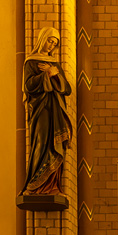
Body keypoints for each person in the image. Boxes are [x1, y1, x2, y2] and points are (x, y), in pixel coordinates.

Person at [22, 27, 74, 196]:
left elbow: (66, 89)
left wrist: (54, 74)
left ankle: (53, 186)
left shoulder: (54, 65)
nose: (52, 45)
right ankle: (35, 185)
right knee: (41, 142)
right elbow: (28, 85)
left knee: (55, 144)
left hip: (55, 109)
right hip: (40, 109)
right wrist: (46, 76)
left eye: (55, 43)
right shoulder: (31, 62)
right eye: (50, 41)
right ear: (42, 39)